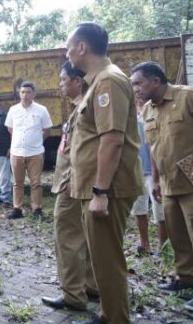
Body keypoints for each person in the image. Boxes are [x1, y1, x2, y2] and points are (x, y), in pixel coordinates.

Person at [67, 22, 142, 323]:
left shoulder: (107, 82)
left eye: (69, 45)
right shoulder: (96, 82)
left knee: (108, 260)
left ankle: (117, 318)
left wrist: (99, 192)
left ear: (82, 47)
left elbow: (112, 140)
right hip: (97, 187)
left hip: (106, 190)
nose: (67, 51)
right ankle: (111, 313)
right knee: (102, 259)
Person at [131, 61, 193, 312]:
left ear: (155, 81)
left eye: (138, 83)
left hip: (190, 179)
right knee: (178, 235)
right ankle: (185, 277)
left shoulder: (187, 97)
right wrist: (155, 179)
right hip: (167, 182)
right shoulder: (148, 110)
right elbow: (154, 148)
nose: (135, 88)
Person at [42, 62, 99, 312]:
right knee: (84, 236)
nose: (61, 84)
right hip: (76, 182)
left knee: (67, 235)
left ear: (78, 81)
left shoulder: (86, 106)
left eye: (64, 79)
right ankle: (91, 286)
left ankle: (73, 296)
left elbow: (84, 152)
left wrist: (70, 183)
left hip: (73, 184)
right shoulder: (81, 106)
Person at [5, 81, 53, 219]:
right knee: (17, 183)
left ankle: (36, 209)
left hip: (35, 153)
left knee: (36, 183)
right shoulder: (13, 110)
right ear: (19, 93)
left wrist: (36, 141)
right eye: (22, 92)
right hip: (17, 152)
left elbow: (47, 130)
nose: (25, 95)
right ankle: (17, 209)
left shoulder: (41, 110)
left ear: (34, 94)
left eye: (28, 92)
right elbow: (10, 129)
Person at [130, 98, 166, 256]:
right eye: (134, 86)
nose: (137, 90)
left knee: (160, 210)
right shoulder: (128, 111)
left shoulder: (154, 109)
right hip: (136, 168)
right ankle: (145, 244)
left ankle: (163, 247)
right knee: (139, 209)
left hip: (154, 169)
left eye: (139, 84)